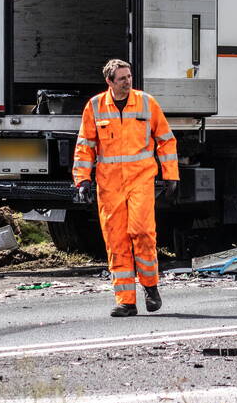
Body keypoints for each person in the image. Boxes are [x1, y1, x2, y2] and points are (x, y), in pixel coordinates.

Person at [73, 59, 179, 317]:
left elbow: (165, 140)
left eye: (129, 76)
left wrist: (171, 175)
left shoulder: (146, 103)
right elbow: (85, 145)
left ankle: (150, 286)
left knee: (142, 232)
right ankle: (125, 301)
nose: (128, 81)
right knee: (116, 241)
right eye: (122, 78)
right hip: (109, 186)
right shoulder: (95, 106)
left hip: (140, 180)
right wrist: (82, 180)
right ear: (109, 82)